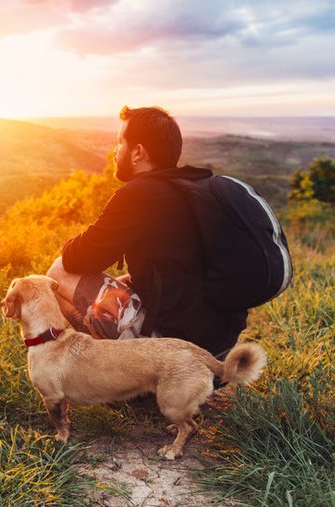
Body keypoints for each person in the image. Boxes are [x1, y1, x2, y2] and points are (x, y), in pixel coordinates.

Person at [46, 106, 247, 359]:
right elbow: (174, 272)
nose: (115, 150)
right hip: (218, 354)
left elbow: (76, 259)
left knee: (58, 272)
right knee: (123, 282)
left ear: (138, 152)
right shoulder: (193, 188)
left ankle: (119, 379)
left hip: (174, 358)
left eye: (120, 142)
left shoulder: (139, 195)